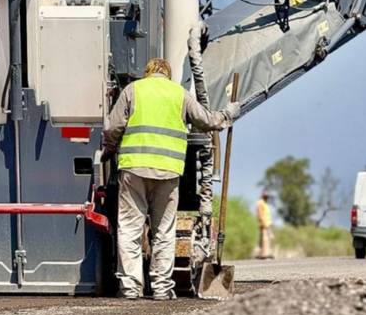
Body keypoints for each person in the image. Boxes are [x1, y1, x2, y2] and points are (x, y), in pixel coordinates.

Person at [102, 58, 239, 300]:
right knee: (164, 231)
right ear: (168, 74)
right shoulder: (179, 93)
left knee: (130, 229)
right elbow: (207, 121)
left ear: (147, 73)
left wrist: (110, 149)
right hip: (168, 172)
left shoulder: (132, 90)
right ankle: (162, 288)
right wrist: (229, 113)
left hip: (134, 170)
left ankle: (131, 288)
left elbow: (113, 128)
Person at [256, 190, 274, 259]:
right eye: (266, 196)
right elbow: (260, 214)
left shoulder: (265, 203)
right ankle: (264, 254)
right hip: (264, 223)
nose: (267, 197)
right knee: (265, 238)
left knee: (267, 238)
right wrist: (264, 223)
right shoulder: (260, 203)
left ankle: (265, 253)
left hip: (268, 223)